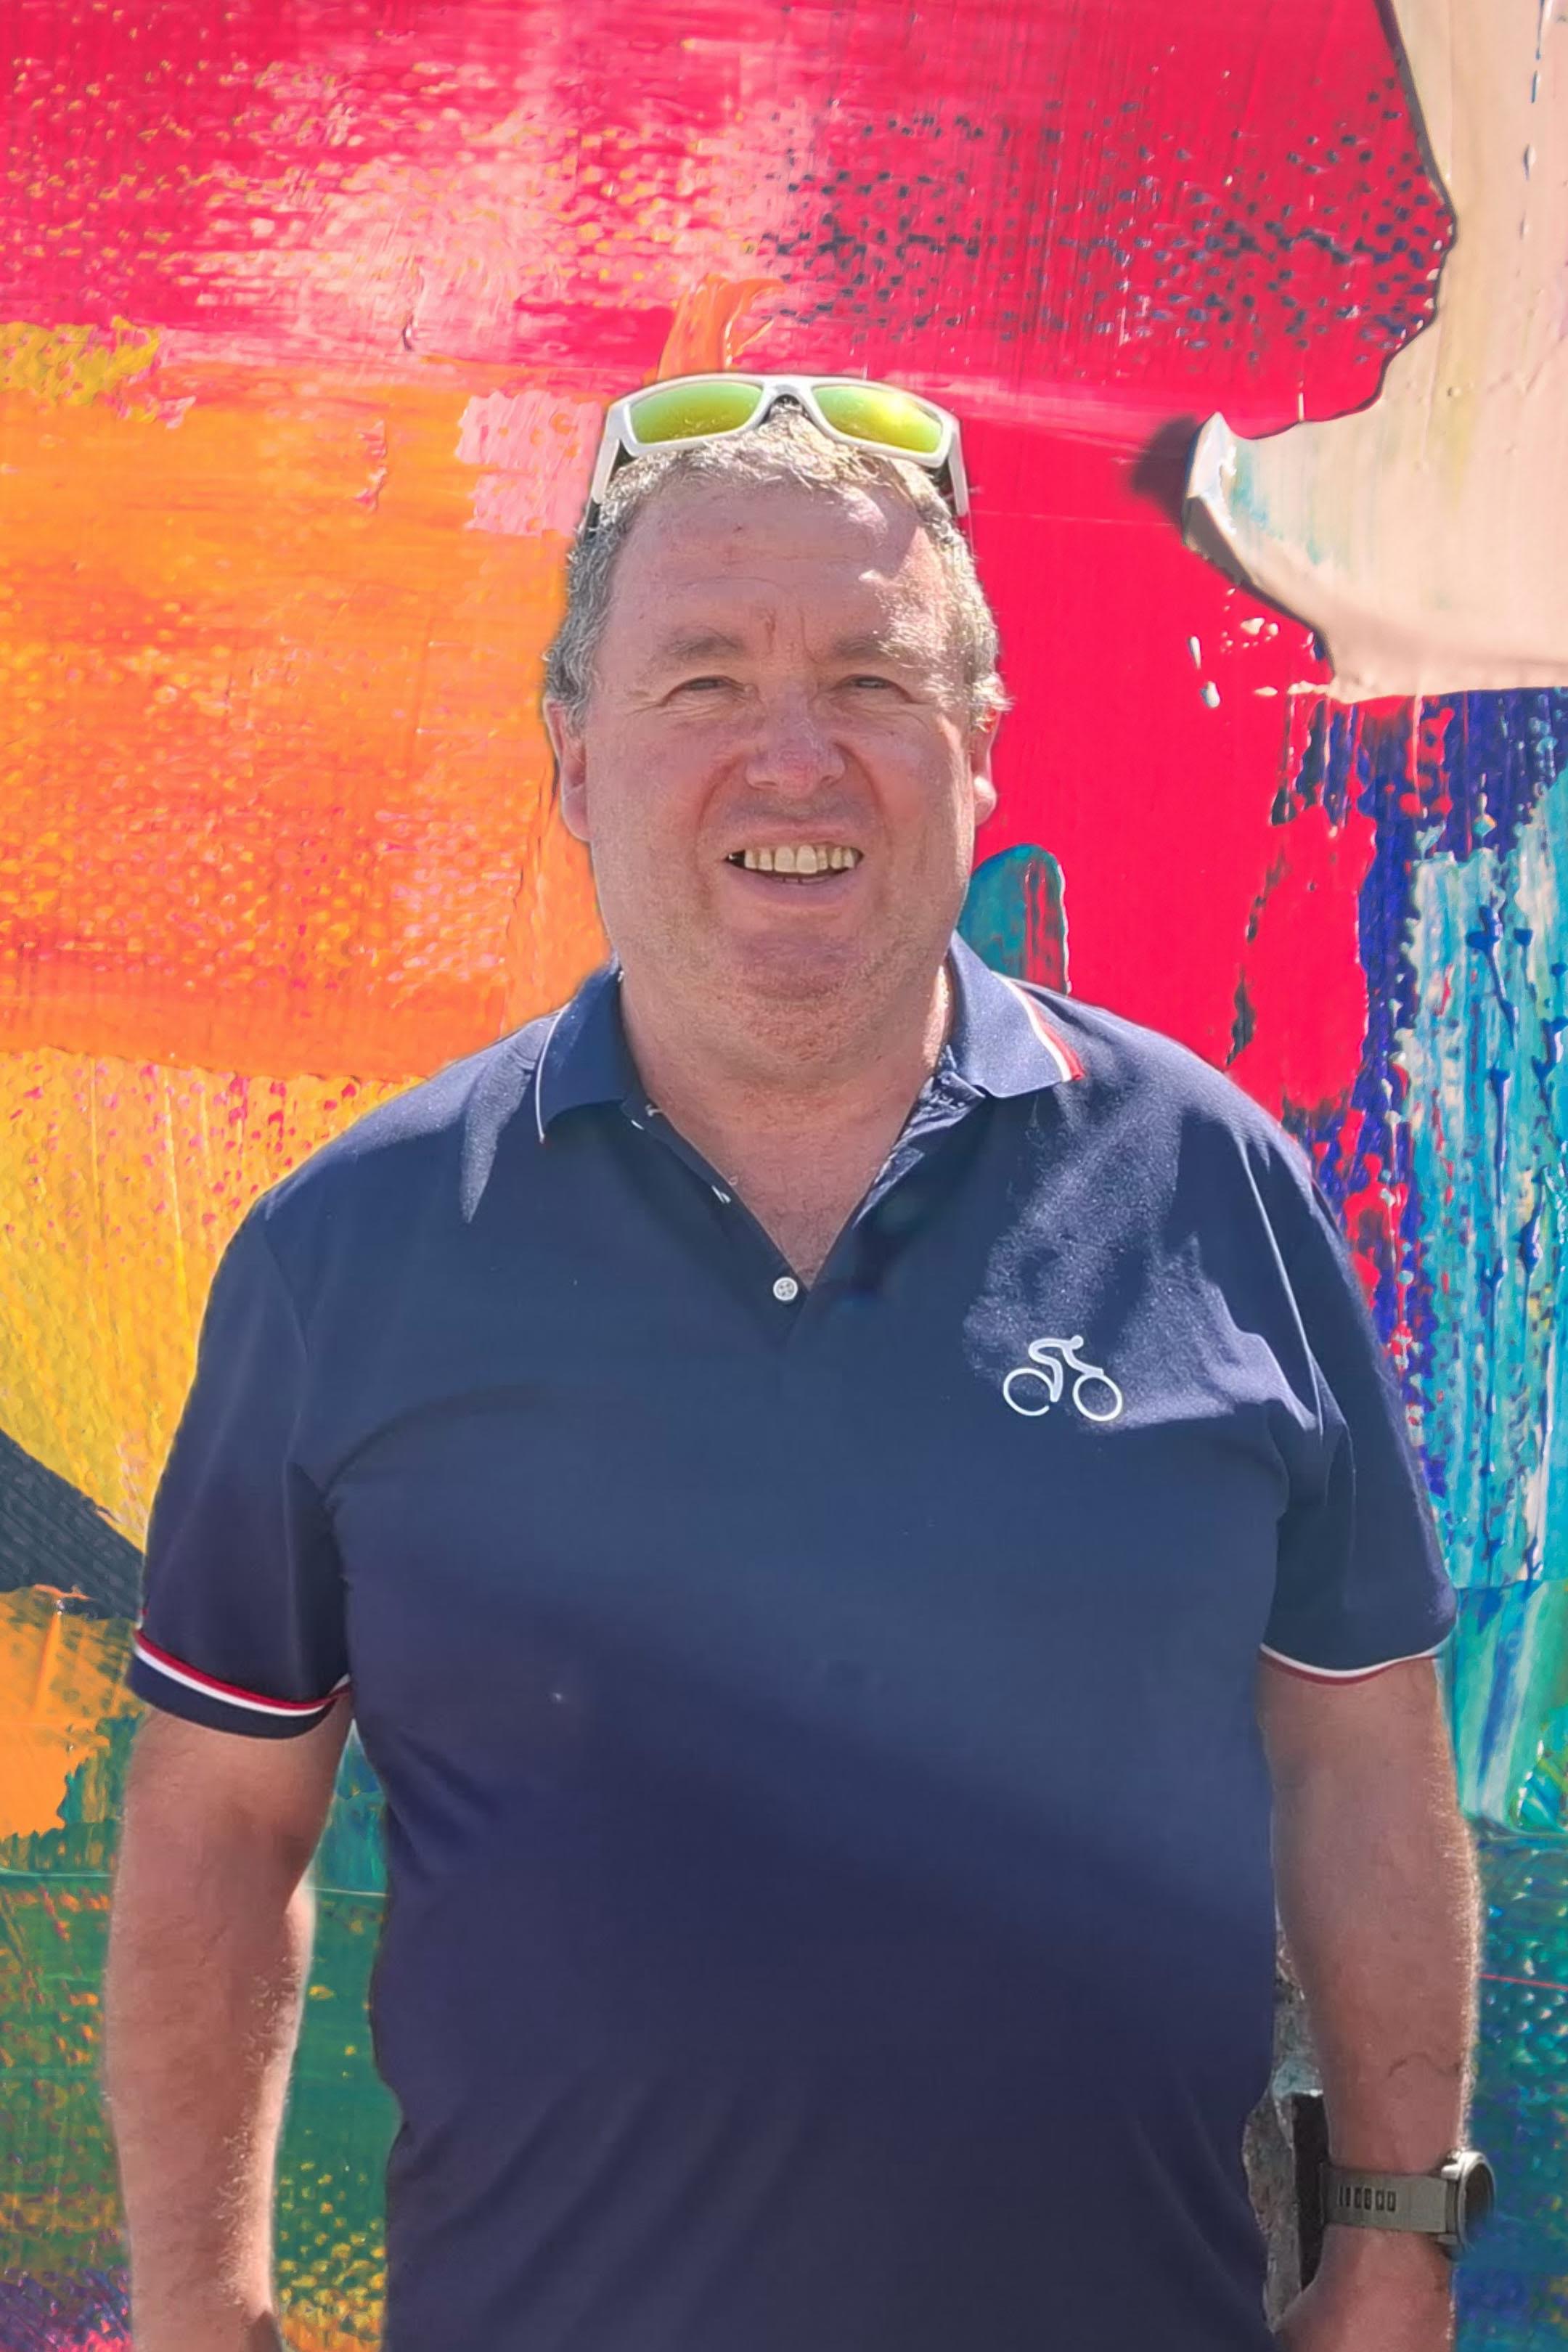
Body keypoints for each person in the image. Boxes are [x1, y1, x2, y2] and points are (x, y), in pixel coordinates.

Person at [105, 377, 1484, 2352]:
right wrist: (195, 2310)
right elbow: (223, 1825)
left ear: (979, 753)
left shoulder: (1209, 1185)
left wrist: (1396, 2245)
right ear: (575, 763)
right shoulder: (353, 1249)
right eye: (703, 684)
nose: (793, 759)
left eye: (871, 680)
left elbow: (1359, 1749)